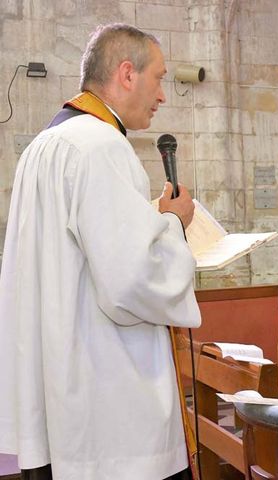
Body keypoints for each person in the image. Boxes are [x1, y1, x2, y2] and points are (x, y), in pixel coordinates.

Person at [0, 24, 201, 480]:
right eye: (160, 77)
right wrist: (173, 223)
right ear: (127, 74)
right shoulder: (101, 146)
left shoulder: (45, 145)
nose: (163, 95)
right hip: (108, 407)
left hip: (58, 385)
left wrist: (148, 222)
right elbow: (132, 282)